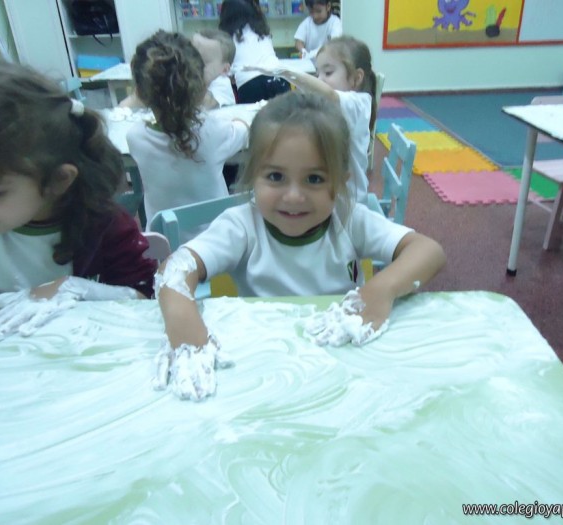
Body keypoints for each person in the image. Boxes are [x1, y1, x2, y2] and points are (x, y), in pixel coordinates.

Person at [153, 91, 446, 400]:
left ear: (340, 182)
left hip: (343, 364)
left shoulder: (349, 220)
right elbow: (175, 269)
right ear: (253, 176)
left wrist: (381, 289)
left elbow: (428, 251)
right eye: (276, 176)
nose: (293, 196)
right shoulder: (242, 226)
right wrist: (184, 326)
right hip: (265, 367)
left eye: (315, 179)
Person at [0, 63, 158, 339]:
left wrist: (78, 289)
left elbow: (146, 298)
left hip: (77, 353)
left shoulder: (106, 226)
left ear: (59, 180)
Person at [125, 30, 249, 231]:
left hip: (164, 244)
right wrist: (237, 121)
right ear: (200, 86)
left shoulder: (135, 137)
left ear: (140, 92)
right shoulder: (214, 131)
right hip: (217, 241)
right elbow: (245, 130)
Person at [247, 35, 375, 203]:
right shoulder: (329, 106)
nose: (319, 79)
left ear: (356, 78)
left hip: (350, 201)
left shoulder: (360, 103)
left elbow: (329, 94)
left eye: (328, 73)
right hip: (328, 194)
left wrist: (287, 72)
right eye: (317, 73)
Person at [119, 28, 236, 110]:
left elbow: (207, 102)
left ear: (224, 70)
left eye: (203, 63)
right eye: (188, 58)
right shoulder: (180, 77)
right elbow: (126, 105)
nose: (192, 66)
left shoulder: (222, 83)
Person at [219, 0, 290, 104]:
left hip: (250, 84)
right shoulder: (262, 32)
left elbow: (227, 71)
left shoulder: (227, 38)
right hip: (279, 77)